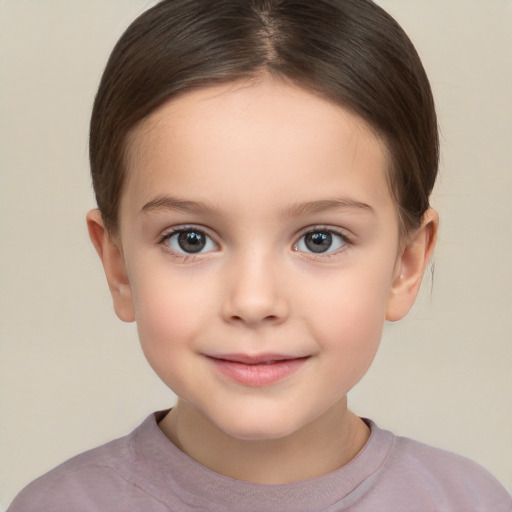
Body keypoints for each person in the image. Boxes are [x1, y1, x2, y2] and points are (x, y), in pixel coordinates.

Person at [7, 0, 511, 510]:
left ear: (407, 264)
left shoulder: (471, 502)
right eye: (191, 239)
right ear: (117, 266)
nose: (253, 301)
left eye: (320, 239)